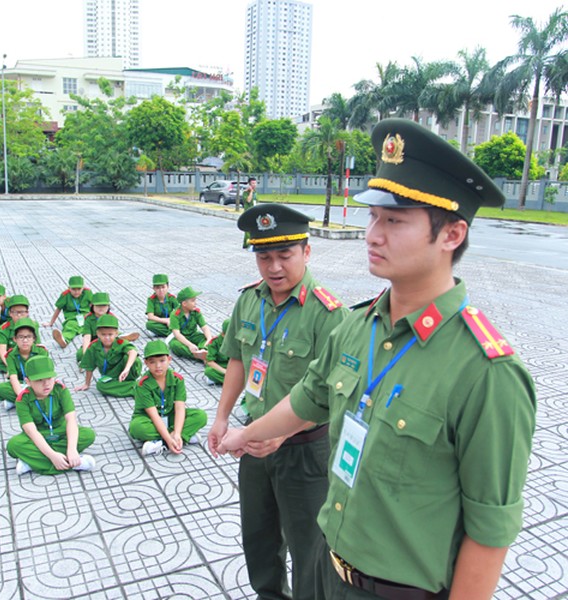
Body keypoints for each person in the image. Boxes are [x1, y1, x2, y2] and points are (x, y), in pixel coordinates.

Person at [218, 118, 537, 600]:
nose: (372, 234)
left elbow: (490, 531)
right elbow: (306, 399)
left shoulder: (488, 373)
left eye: (394, 220)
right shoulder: (356, 327)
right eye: (372, 218)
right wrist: (242, 434)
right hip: (328, 569)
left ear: (451, 234)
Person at [207, 202, 347, 600]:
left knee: (309, 550)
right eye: (263, 256)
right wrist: (221, 418)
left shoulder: (328, 314)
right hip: (253, 441)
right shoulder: (249, 301)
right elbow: (237, 357)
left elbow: (332, 396)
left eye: (284, 255)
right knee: (259, 539)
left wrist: (282, 435)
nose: (273, 267)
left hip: (305, 451)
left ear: (307, 251)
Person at [6, 355, 96, 476]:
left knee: (88, 435)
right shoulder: (22, 399)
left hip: (60, 431)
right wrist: (53, 456)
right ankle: (75, 463)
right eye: (39, 380)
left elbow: (71, 420)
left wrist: (72, 449)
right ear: (28, 382)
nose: (46, 384)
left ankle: (32, 462)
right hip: (39, 435)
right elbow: (32, 431)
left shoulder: (61, 390)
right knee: (13, 445)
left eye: (49, 378)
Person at [128, 340, 207, 457]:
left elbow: (180, 407)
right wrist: (170, 439)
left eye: (162, 361)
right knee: (136, 428)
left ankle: (163, 440)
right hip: (148, 419)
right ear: (146, 363)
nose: (158, 366)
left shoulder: (177, 379)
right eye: (152, 362)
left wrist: (178, 433)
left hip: (170, 415)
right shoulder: (142, 384)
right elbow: (153, 415)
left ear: (169, 359)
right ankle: (183, 436)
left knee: (200, 416)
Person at [76, 314, 140, 398]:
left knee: (131, 358)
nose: (107, 338)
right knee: (100, 386)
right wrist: (86, 384)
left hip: (127, 373)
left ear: (116, 334)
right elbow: (89, 367)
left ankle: (131, 384)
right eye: (103, 334)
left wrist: (127, 369)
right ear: (98, 334)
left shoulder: (120, 342)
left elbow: (133, 352)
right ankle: (137, 388)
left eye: (110, 334)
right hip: (110, 376)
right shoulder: (93, 347)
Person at [0, 318, 48, 410]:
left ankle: (16, 402)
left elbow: (44, 377)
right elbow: (13, 377)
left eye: (28, 337)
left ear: (34, 338)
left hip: (37, 383)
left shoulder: (41, 352)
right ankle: (30, 403)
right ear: (15, 339)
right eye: (21, 337)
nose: (25, 340)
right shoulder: (11, 355)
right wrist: (20, 395)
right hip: (21, 383)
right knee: (0, 388)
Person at [76, 292, 140, 366]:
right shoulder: (88, 319)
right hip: (94, 342)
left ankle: (124, 341)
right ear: (91, 306)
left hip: (110, 341)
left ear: (108, 306)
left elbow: (114, 340)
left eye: (104, 305)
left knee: (118, 347)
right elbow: (87, 337)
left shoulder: (112, 318)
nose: (101, 308)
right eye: (98, 305)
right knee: (80, 354)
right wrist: (85, 356)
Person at [0, 294, 31, 373]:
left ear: (27, 313)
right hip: (11, 354)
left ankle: (21, 367)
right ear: (10, 313)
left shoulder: (33, 325)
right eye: (15, 312)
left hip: (28, 353)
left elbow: (37, 346)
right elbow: (2, 351)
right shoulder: (4, 328)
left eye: (22, 312)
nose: (19, 315)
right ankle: (20, 369)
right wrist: (10, 367)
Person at [44, 276, 93, 349]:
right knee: (70, 326)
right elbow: (58, 309)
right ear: (69, 288)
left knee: (94, 325)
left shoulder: (88, 292)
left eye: (79, 289)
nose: (76, 292)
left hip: (86, 316)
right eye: (73, 289)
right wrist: (51, 323)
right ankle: (64, 340)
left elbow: (93, 305)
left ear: (83, 287)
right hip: (72, 318)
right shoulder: (65, 295)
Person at [168, 287, 212, 361]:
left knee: (206, 338)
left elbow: (204, 327)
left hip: (193, 335)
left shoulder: (196, 312)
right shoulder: (174, 315)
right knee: (175, 345)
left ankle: (204, 350)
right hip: (181, 338)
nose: (195, 303)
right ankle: (199, 356)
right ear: (184, 303)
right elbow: (177, 334)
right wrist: (190, 345)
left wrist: (209, 339)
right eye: (193, 301)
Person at [204, 318, 230, 385]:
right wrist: (225, 372)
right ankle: (233, 382)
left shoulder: (238, 341)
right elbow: (210, 362)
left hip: (232, 366)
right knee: (209, 371)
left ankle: (222, 380)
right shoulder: (214, 343)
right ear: (223, 334)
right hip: (219, 367)